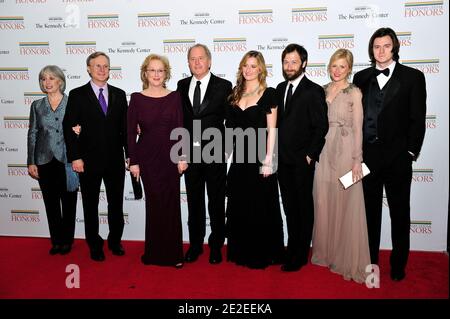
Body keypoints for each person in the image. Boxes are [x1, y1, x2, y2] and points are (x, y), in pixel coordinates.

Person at [353, 27, 426, 281]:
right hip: (369, 158)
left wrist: (409, 152)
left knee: (399, 213)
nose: (381, 51)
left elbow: (418, 119)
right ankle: (371, 261)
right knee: (370, 215)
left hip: (398, 159)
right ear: (371, 50)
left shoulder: (413, 77)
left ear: (394, 47)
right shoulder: (360, 77)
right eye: (376, 46)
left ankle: (398, 265)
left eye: (386, 46)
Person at [311, 49, 371, 283]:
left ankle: (343, 256)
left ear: (349, 69)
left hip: (346, 149)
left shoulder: (354, 92)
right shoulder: (322, 90)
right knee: (323, 199)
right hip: (324, 148)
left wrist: (358, 159)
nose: (337, 71)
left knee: (345, 200)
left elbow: (358, 127)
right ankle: (325, 253)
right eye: (334, 66)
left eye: (342, 67)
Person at [63, 51, 128, 262]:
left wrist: (130, 155)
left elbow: (125, 129)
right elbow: (69, 127)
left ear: (110, 69)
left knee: (116, 204)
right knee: (90, 205)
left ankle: (115, 241)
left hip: (115, 160)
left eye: (105, 66)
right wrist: (75, 157)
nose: (102, 69)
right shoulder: (77, 94)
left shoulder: (119, 94)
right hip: (88, 161)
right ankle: (94, 243)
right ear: (89, 69)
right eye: (97, 66)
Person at [225, 51, 285, 269]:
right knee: (240, 204)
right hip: (239, 159)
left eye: (253, 66)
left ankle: (262, 253)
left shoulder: (269, 94)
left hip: (260, 157)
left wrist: (270, 160)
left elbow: (273, 130)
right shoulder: (234, 94)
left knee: (261, 206)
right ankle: (241, 251)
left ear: (261, 69)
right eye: (245, 66)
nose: (248, 70)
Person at [128, 54, 187, 268]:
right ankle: (154, 253)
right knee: (154, 205)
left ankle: (174, 255)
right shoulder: (136, 98)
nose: (156, 74)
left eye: (160, 70)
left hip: (171, 158)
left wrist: (182, 157)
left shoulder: (175, 97)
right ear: (145, 73)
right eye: (152, 70)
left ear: (166, 74)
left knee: (171, 205)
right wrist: (133, 161)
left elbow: (180, 128)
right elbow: (129, 133)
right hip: (147, 158)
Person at [177, 44, 232, 264]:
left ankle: (216, 245)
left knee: (217, 202)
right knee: (194, 202)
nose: (197, 62)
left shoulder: (224, 86)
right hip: (190, 154)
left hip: (215, 153)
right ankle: (196, 245)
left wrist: (225, 150)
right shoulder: (181, 86)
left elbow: (232, 120)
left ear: (209, 61)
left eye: (201, 58)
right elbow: (178, 120)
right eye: (192, 59)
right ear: (188, 63)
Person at [276, 43, 329, 272]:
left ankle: (300, 254)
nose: (289, 66)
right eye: (286, 62)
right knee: (289, 207)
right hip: (282, 160)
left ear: (304, 64)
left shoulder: (313, 90)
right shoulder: (279, 88)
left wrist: (310, 155)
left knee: (303, 207)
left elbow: (321, 127)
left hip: (302, 161)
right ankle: (292, 246)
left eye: (294, 62)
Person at [27, 65, 78, 256]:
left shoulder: (72, 103)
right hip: (44, 159)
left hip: (67, 160)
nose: (47, 82)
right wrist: (31, 161)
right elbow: (32, 133)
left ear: (60, 81)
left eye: (51, 78)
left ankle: (67, 240)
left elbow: (81, 128)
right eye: (43, 79)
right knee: (51, 203)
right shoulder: (36, 106)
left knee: (69, 202)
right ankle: (56, 240)